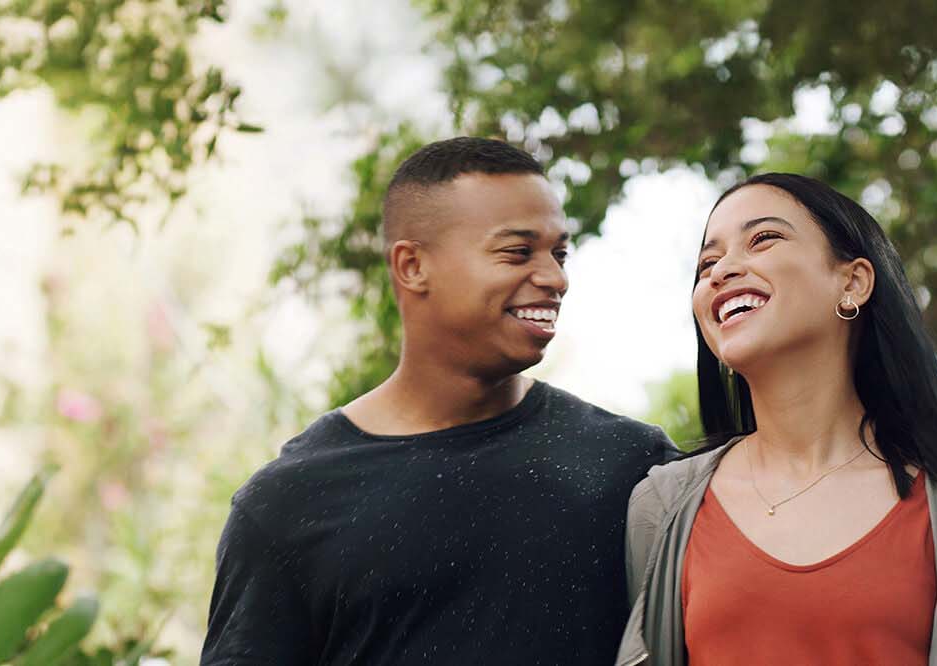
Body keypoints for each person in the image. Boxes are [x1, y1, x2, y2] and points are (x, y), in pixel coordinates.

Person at [204, 137, 674, 665]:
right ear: (412, 267)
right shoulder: (288, 504)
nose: (555, 278)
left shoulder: (634, 464)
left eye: (559, 253)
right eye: (518, 251)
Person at [616, 173, 937, 666]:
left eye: (762, 239)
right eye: (707, 263)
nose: (721, 272)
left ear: (852, 282)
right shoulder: (662, 506)